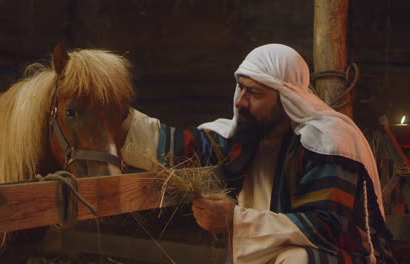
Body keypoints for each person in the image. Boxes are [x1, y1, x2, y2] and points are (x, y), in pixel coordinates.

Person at [120, 44, 396, 263]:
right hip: (274, 255)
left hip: (344, 256)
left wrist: (234, 219)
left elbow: (326, 227)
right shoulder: (249, 134)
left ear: (285, 99)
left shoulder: (327, 142)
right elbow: (186, 148)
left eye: (254, 93)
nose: (240, 101)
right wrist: (116, 118)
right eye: (240, 87)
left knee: (298, 259)